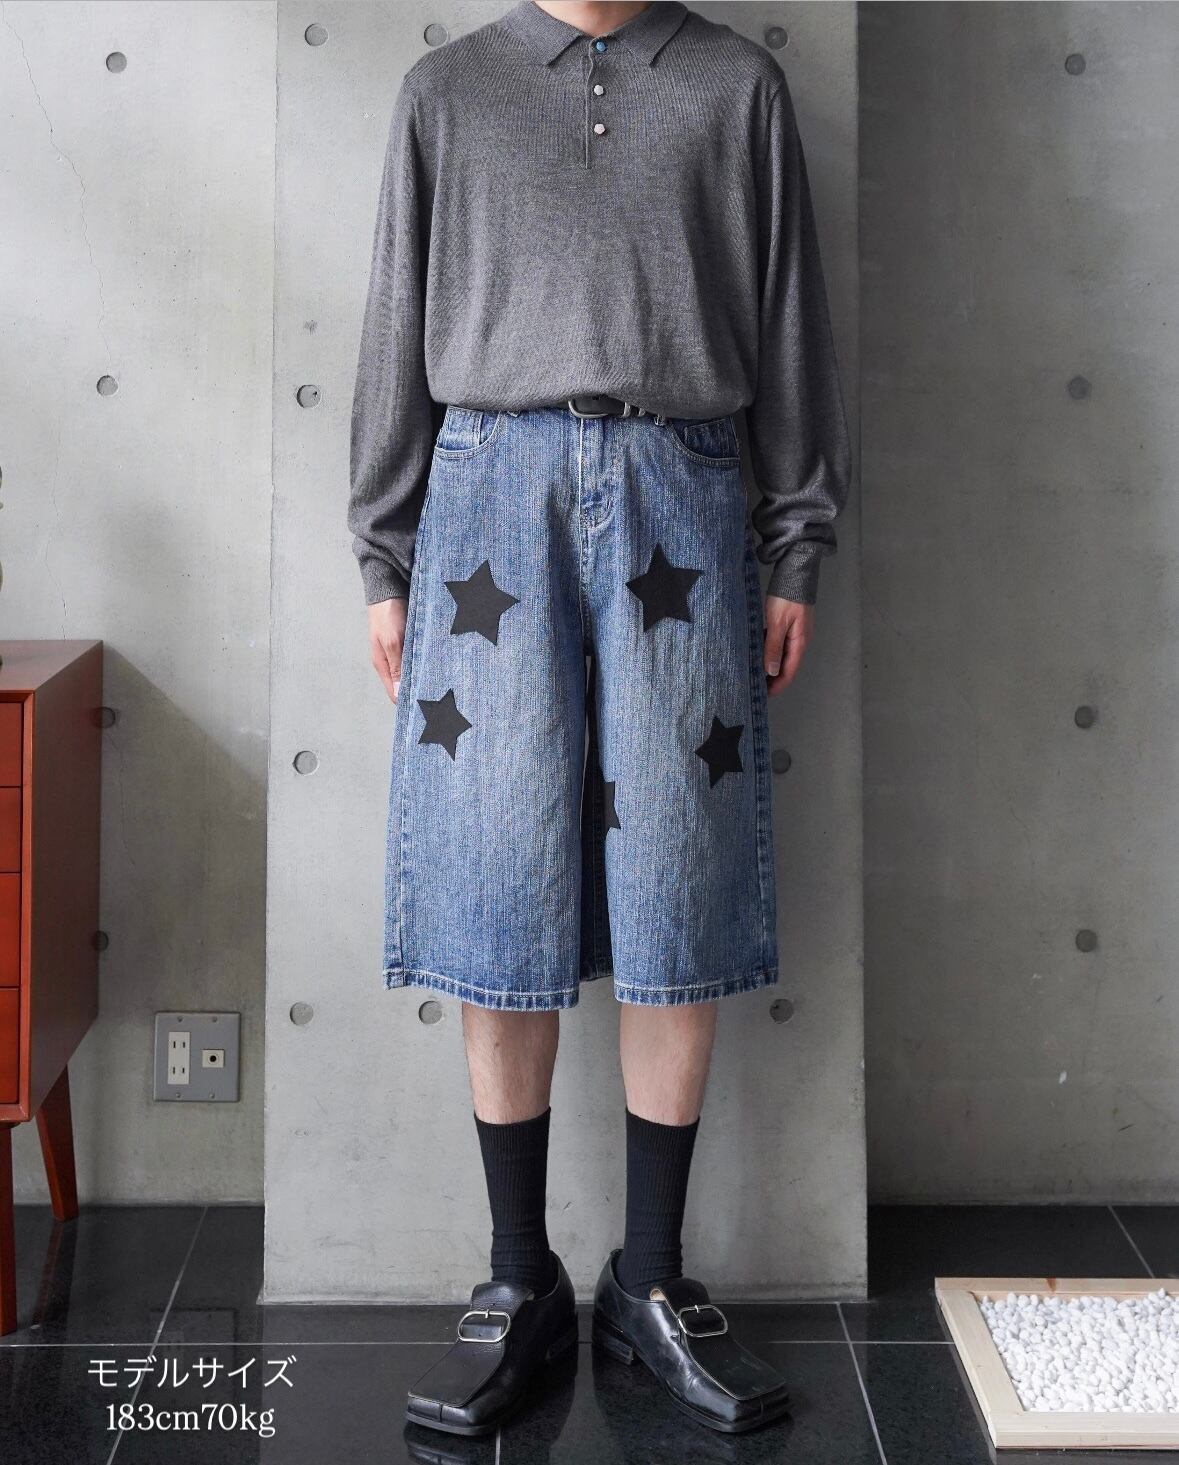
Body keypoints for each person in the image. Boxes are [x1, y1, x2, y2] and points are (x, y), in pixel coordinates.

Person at [348, 0, 851, 1438]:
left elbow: (790, 325)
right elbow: (395, 322)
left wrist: (797, 544)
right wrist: (383, 557)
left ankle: (652, 1280)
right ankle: (519, 1279)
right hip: (487, 499)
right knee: (499, 868)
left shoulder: (738, 89)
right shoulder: (446, 92)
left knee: (678, 874)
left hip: (683, 492)